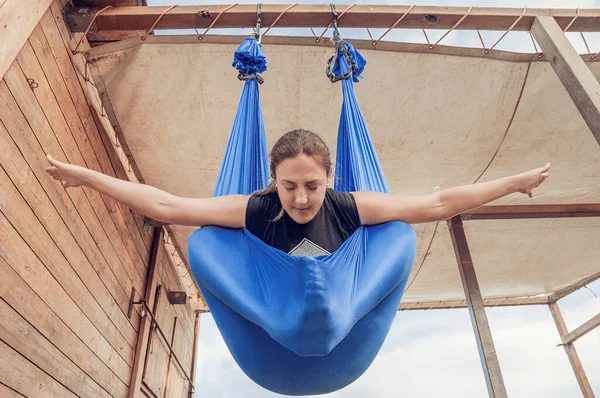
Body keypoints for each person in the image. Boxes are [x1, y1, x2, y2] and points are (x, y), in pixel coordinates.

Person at [45, 129, 550, 256]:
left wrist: (512, 183)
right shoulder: (257, 209)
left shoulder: (350, 207)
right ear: (274, 181)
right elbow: (168, 206)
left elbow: (438, 204)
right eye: (290, 186)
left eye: (312, 185)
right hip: (274, 307)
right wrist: (88, 177)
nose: (302, 199)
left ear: (329, 179)